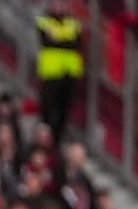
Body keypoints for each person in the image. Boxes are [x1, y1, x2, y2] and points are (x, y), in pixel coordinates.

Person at [36, 0, 84, 139]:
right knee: (48, 106)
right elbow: (46, 42)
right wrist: (65, 41)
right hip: (51, 71)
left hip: (69, 72)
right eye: (55, 4)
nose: (58, 7)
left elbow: (76, 44)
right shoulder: (44, 21)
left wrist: (57, 40)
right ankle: (44, 134)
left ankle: (58, 136)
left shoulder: (73, 23)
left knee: (64, 107)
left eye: (61, 4)